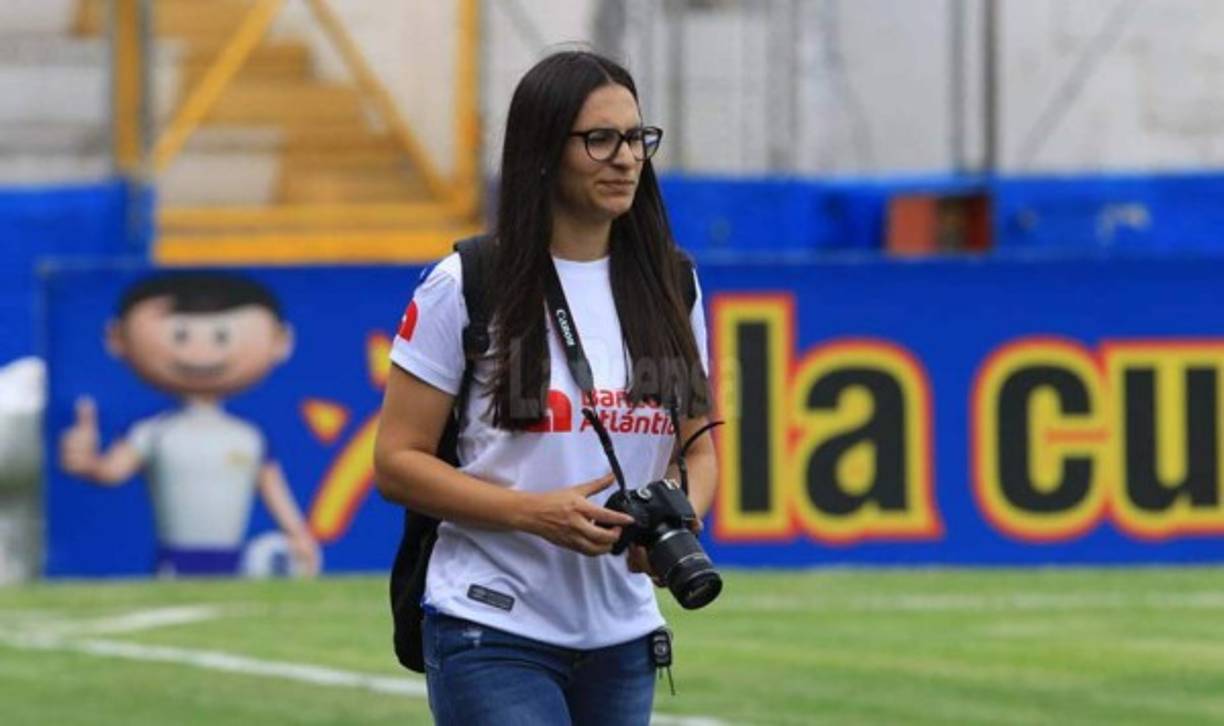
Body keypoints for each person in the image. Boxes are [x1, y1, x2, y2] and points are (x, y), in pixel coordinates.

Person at [373, 50, 717, 725]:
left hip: (622, 635)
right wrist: (534, 513)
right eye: (600, 139)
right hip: (490, 625)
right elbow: (396, 462)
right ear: (542, 149)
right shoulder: (466, 282)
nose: (625, 158)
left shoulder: (673, 284)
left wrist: (677, 520)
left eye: (637, 138)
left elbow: (700, 445)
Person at [59, 272, 320, 577]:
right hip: (173, 563)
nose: (201, 353)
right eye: (180, 335)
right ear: (117, 339)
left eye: (221, 335)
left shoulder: (249, 438)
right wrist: (86, 462)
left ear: (281, 341)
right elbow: (111, 471)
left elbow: (274, 490)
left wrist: (299, 535)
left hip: (232, 563)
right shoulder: (154, 433)